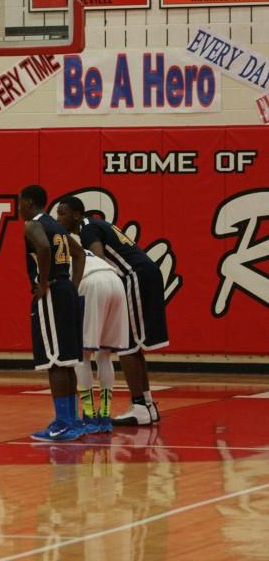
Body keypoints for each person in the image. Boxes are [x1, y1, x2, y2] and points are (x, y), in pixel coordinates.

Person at [57, 196, 169, 427]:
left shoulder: (87, 229)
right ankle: (146, 404)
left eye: (63, 213)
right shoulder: (97, 224)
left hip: (133, 276)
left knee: (128, 344)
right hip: (140, 275)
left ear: (77, 215)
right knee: (131, 345)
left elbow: (98, 259)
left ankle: (140, 405)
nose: (59, 219)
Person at [19, 185, 85, 442]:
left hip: (53, 293)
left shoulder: (33, 225)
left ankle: (62, 424)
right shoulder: (56, 225)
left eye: (20, 203)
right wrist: (73, 286)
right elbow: (78, 254)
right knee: (67, 361)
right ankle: (71, 421)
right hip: (66, 290)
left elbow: (44, 249)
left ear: (29, 202)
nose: (18, 208)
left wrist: (44, 282)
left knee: (54, 361)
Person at [66, 242, 129, 433]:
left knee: (83, 354)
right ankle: (105, 415)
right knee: (105, 353)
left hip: (91, 283)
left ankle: (89, 415)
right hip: (115, 281)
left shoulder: (53, 251)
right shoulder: (80, 248)